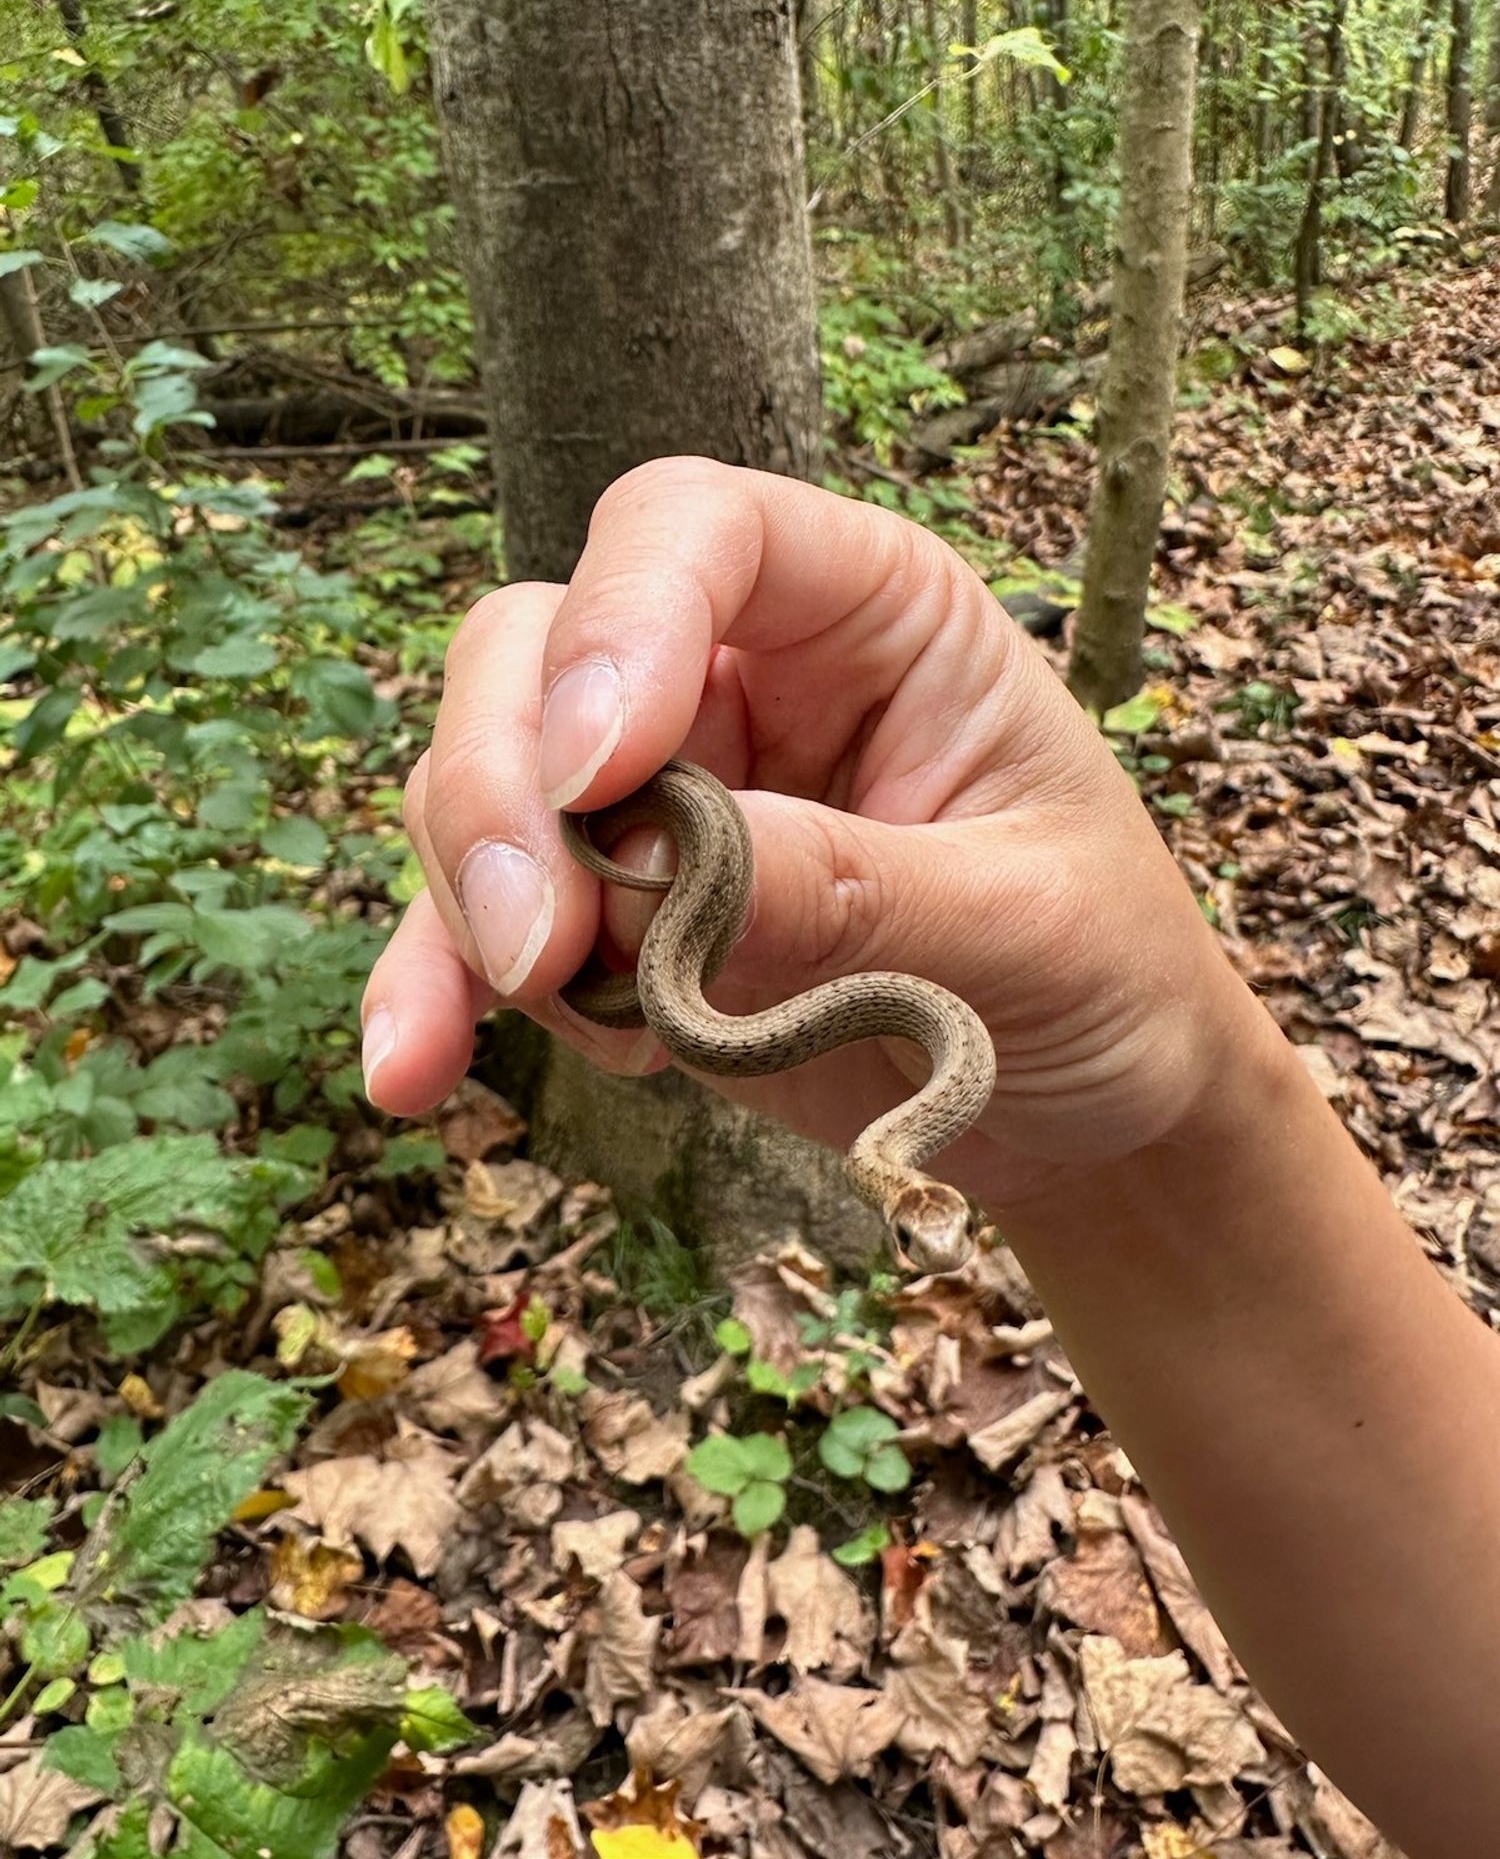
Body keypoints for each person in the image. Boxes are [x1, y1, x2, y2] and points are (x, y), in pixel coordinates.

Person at [362, 458, 1497, 1857]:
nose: (938, 1253)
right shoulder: (942, 1095)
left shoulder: (932, 1095)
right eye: (930, 1230)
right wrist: (1161, 1140)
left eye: (930, 1231)